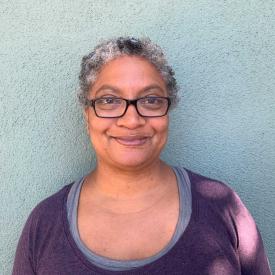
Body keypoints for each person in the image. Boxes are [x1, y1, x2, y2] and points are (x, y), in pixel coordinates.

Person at [13, 37, 271, 275]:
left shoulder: (223, 208)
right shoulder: (45, 223)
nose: (132, 119)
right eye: (109, 100)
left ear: (168, 109)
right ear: (87, 114)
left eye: (150, 100)